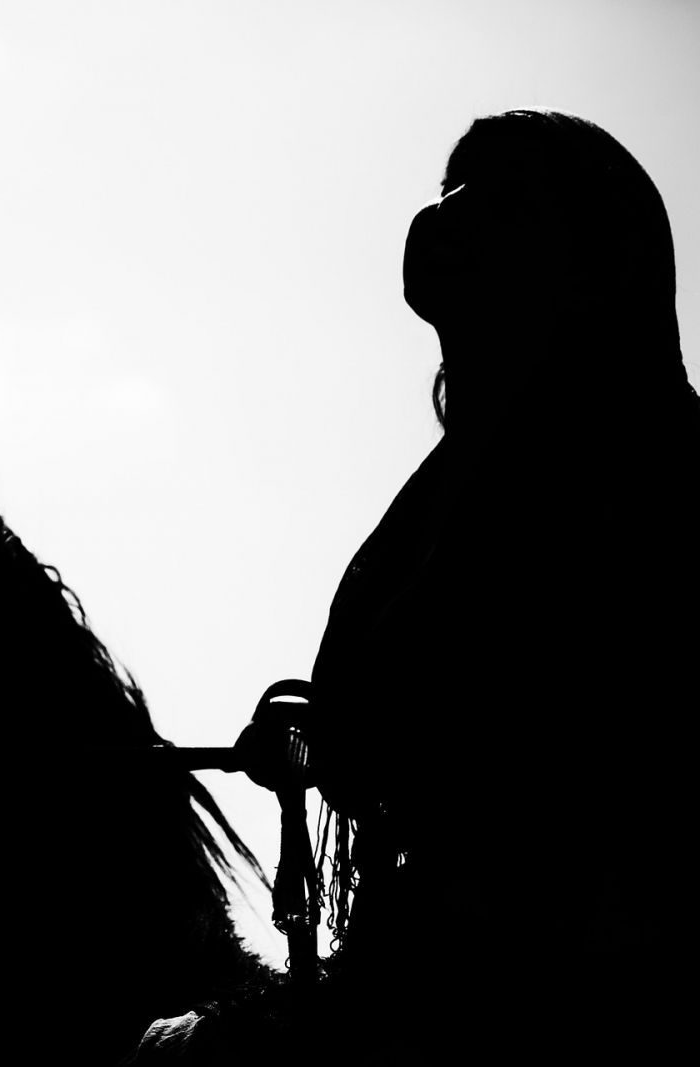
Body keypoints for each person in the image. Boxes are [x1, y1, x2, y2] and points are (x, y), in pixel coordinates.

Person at [307, 109, 698, 1059]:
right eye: (449, 190)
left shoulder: (651, 472)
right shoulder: (454, 482)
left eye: (505, 200)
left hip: (566, 997)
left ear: (591, 260)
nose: (447, 216)